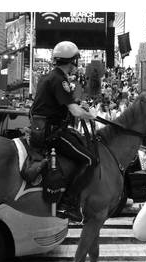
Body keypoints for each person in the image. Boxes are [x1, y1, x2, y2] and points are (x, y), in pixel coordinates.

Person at [30, 41, 97, 222]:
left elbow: (63, 105)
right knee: (90, 160)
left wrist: (77, 105)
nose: (77, 65)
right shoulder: (60, 80)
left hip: (41, 130)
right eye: (76, 61)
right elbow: (75, 112)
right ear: (72, 61)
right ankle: (68, 203)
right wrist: (92, 115)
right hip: (52, 135)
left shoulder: (49, 77)